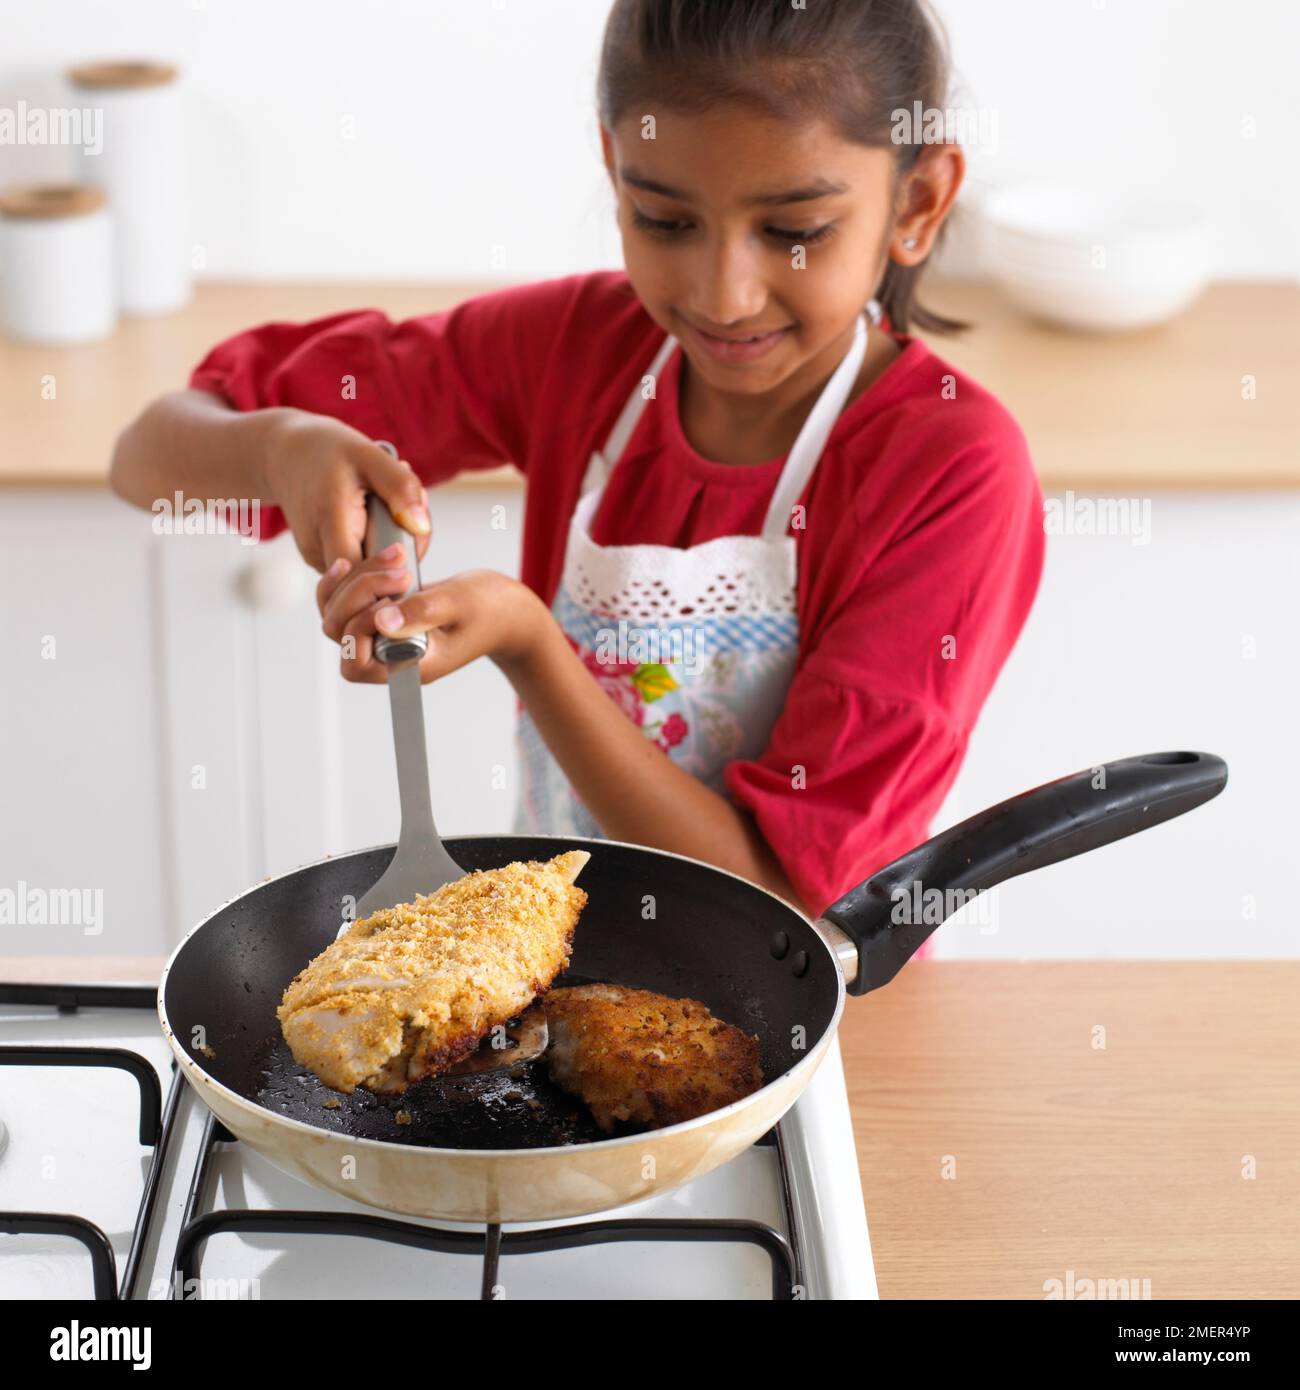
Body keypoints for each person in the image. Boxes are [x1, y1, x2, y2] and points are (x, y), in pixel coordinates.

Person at [110, 0, 1045, 954]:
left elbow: (786, 913)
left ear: (919, 203)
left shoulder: (950, 469)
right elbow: (146, 456)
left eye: (794, 228)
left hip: (824, 1021)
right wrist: (282, 447)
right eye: (664, 218)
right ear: (613, 165)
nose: (723, 293)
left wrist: (530, 644)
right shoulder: (579, 352)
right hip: (578, 972)